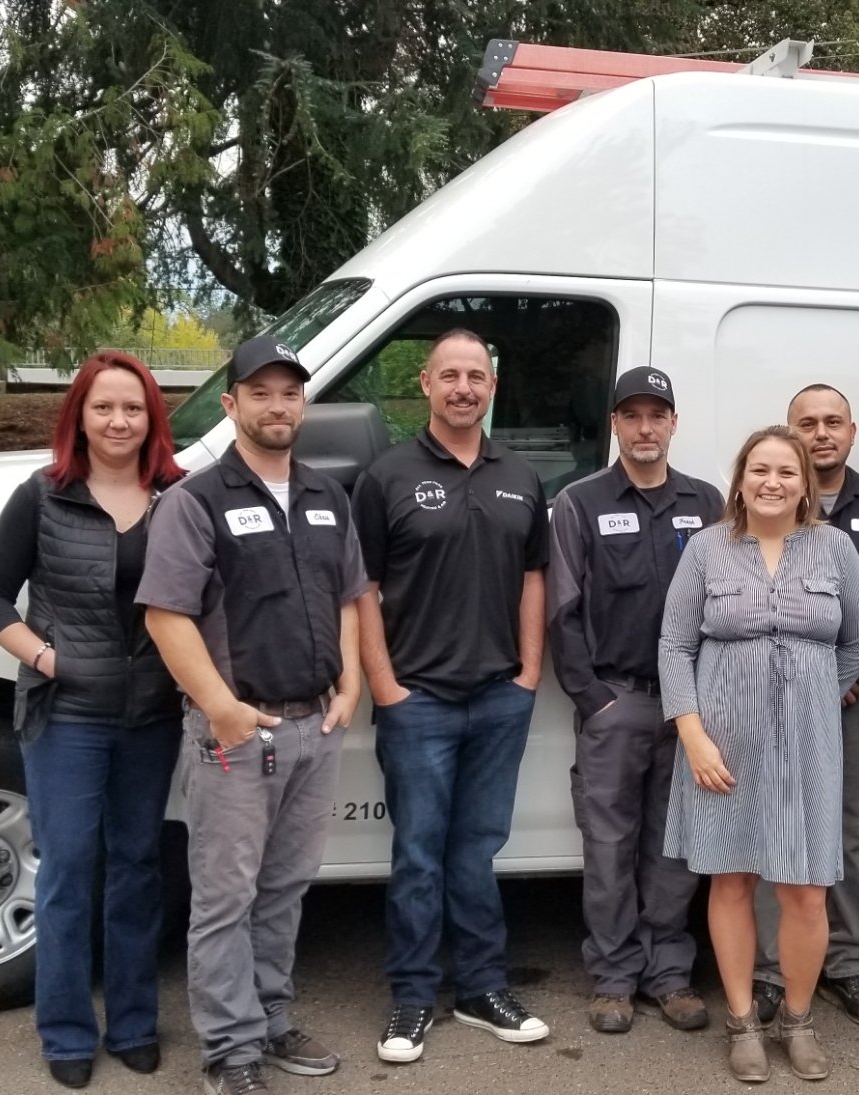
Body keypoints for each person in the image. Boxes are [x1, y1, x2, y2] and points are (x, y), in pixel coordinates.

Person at [137, 337, 365, 1095]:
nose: (277, 406)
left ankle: (270, 1019)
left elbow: (349, 596)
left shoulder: (328, 497)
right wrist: (220, 708)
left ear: (304, 404)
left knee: (284, 888)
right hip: (237, 736)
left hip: (315, 728)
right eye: (260, 393)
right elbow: (166, 615)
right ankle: (230, 1052)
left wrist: (350, 684)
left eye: (289, 393)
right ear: (231, 404)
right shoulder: (194, 501)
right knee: (225, 899)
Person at [0, 351, 186, 1090]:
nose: (119, 421)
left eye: (133, 408)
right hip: (67, 715)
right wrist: (47, 658)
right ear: (80, 417)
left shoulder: (178, 496)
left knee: (137, 866)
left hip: (152, 715)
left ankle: (133, 1024)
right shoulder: (43, 495)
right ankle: (64, 1030)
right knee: (67, 870)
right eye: (104, 408)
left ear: (151, 418)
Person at [353, 329, 552, 1064]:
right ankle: (412, 996)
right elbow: (362, 588)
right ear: (426, 385)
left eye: (476, 376)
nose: (463, 388)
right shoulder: (386, 476)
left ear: (491, 387)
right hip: (419, 703)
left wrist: (528, 673)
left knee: (476, 852)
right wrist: (385, 687)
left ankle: (480, 987)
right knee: (418, 856)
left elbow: (534, 577)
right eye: (450, 376)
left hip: (500, 697)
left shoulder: (521, 476)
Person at [659, 426, 859, 1083]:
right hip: (721, 744)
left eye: (786, 471)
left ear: (806, 485)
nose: (772, 482)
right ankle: (741, 1020)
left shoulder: (835, 548)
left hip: (809, 742)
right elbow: (674, 645)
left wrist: (817, 691)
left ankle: (797, 1019)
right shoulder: (707, 548)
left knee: (806, 890)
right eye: (759, 469)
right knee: (731, 880)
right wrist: (693, 734)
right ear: (740, 480)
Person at [548, 366, 723, 1035]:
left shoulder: (707, 501)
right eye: (632, 416)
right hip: (616, 702)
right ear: (615, 424)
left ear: (674, 423)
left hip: (691, 710)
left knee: (674, 846)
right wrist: (593, 698)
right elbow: (562, 609)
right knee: (609, 846)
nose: (645, 428)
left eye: (657, 415)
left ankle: (669, 974)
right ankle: (614, 976)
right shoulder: (579, 502)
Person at [753, 385, 859, 1028]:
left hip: (854, 693)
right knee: (771, 826)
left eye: (832, 422)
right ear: (789, 432)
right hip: (769, 692)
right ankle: (771, 969)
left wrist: (840, 666)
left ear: (852, 430)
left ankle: (848, 962)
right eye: (807, 423)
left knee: (843, 830)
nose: (821, 433)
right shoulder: (767, 499)